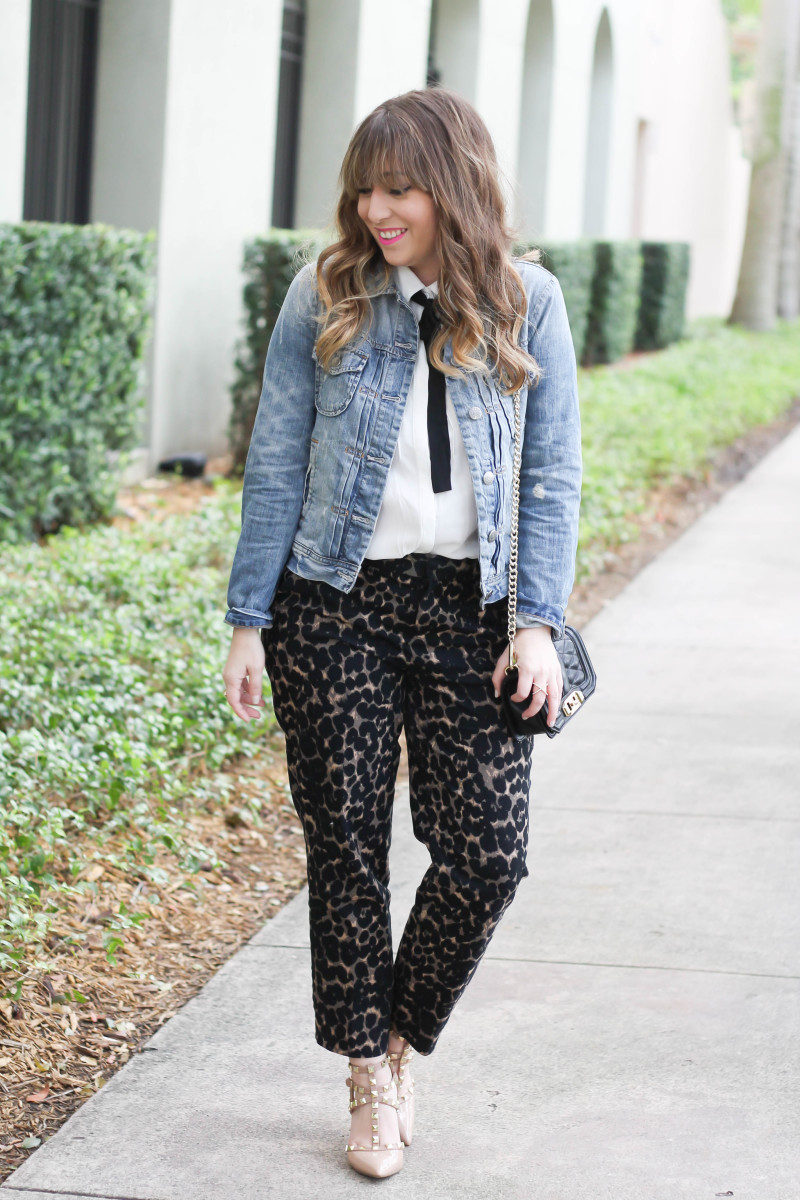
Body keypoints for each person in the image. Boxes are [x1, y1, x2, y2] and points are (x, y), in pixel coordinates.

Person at [222, 86, 582, 1179]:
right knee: (344, 848)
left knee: (486, 857)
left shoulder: (529, 301)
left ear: (453, 188)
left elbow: (552, 476)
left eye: (401, 188)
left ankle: (397, 1032)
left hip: (469, 610)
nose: (377, 209)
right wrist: (247, 621)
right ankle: (366, 1083)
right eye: (366, 189)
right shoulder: (325, 293)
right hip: (333, 604)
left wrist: (537, 627)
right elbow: (275, 462)